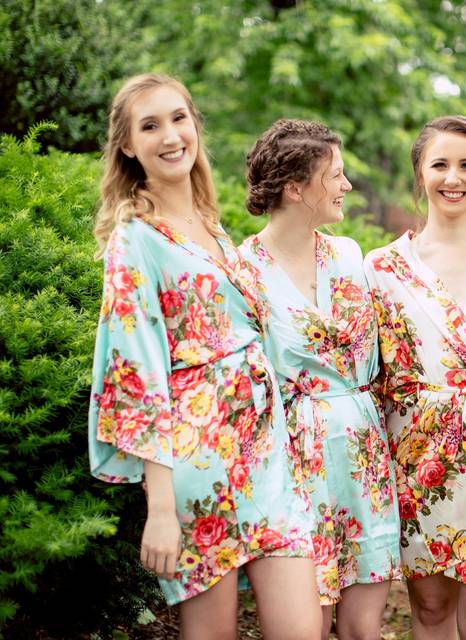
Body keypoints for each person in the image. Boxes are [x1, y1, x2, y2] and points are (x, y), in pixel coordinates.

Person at [88, 74, 323, 638]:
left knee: (303, 628)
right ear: (127, 145)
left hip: (267, 456)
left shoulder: (212, 227)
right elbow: (137, 376)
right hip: (197, 463)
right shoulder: (136, 240)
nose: (170, 136)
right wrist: (161, 507)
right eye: (150, 126)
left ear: (194, 125)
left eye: (178, 118)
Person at [363, 115, 466, 640]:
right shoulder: (383, 268)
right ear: (420, 174)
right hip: (420, 454)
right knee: (432, 610)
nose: (452, 177)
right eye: (440, 164)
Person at [239, 119, 401, 640]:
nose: (347, 186)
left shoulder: (349, 256)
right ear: (295, 187)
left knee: (362, 628)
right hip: (291, 462)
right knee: (301, 629)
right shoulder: (242, 271)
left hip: (362, 455)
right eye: (336, 174)